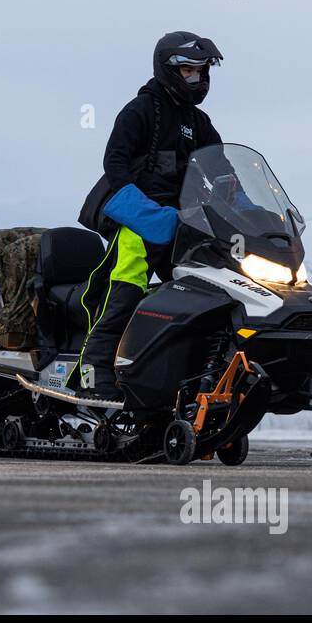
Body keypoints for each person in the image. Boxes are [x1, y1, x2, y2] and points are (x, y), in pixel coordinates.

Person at [72, 31, 224, 400]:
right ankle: (94, 373)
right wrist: (141, 209)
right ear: (169, 69)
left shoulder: (199, 122)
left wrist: (247, 208)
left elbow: (222, 170)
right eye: (189, 71)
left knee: (207, 301)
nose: (197, 79)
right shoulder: (140, 110)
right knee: (124, 295)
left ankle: (196, 378)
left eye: (202, 72)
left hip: (186, 228)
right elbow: (115, 162)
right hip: (140, 225)